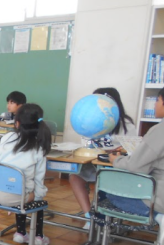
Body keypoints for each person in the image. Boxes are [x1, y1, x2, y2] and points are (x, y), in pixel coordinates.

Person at [0, 103, 52, 245]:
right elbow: (39, 180)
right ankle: (39, 237)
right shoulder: (38, 148)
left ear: (17, 123)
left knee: (18, 186)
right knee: (36, 196)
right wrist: (38, 197)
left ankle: (20, 233)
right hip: (14, 197)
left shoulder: (6, 138)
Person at [69, 88, 136, 220]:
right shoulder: (91, 122)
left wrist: (118, 150)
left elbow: (133, 150)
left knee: (104, 181)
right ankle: (89, 216)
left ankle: (105, 217)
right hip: (95, 165)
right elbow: (87, 144)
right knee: (74, 177)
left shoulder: (126, 125)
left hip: (115, 167)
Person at [109, 87, 164, 215]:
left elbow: (136, 166)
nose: (155, 105)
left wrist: (116, 160)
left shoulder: (159, 130)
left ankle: (159, 217)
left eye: (157, 100)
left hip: (158, 201)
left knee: (109, 192)